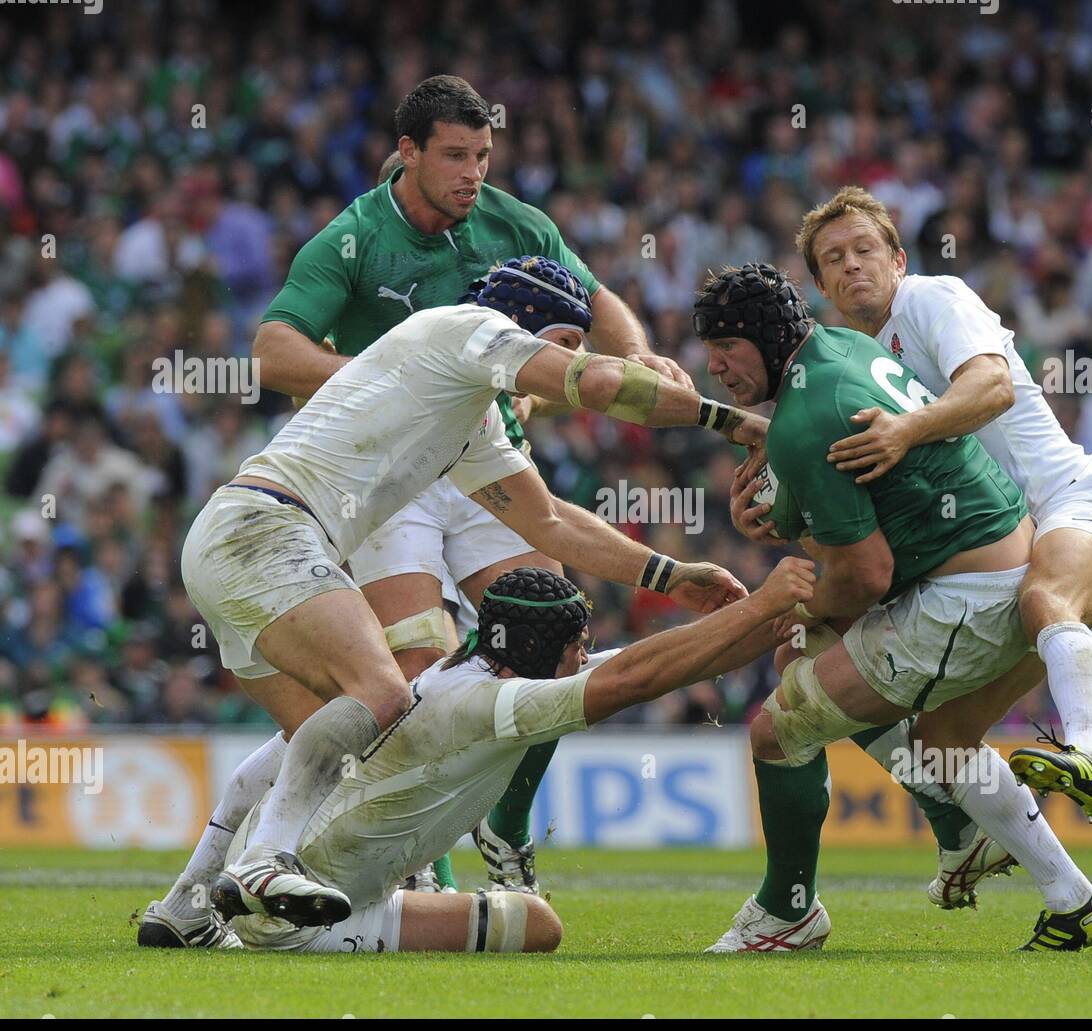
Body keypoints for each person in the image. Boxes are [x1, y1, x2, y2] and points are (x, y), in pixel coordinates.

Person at [138, 263, 765, 947]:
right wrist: (733, 421)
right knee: (384, 692)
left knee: (320, 730)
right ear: (525, 324)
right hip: (268, 529)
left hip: (238, 535)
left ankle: (190, 901)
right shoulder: (469, 327)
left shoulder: (468, 421)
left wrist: (671, 575)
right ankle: (266, 859)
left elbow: (548, 523)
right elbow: (603, 384)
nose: (569, 361)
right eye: (564, 341)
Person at [253, 74, 693, 896]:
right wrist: (385, 380)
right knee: (420, 669)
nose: (473, 174)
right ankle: (425, 871)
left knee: (553, 645)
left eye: (483, 155)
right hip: (395, 479)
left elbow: (604, 306)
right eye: (455, 156)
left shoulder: (512, 222)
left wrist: (631, 358)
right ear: (408, 153)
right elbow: (273, 352)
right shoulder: (351, 240)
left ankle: (507, 824)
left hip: (494, 461)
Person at [696, 264, 1092, 954]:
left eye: (727, 345)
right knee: (807, 658)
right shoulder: (846, 349)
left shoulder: (807, 421)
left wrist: (799, 601)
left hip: (969, 600)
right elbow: (877, 523)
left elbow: (864, 573)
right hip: (1004, 564)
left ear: (772, 337)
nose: (714, 366)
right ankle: (1063, 893)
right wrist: (786, 535)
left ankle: (788, 912)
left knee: (777, 732)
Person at [201, 560, 816, 954]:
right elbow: (633, 680)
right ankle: (298, 925)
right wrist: (761, 605)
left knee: (523, 918)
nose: (587, 654)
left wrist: (773, 623)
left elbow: (650, 667)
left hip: (289, 866)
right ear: (536, 649)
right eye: (579, 645)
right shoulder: (493, 704)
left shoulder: (466, 674)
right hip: (297, 919)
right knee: (539, 926)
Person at [783, 187, 1092, 820]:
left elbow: (992, 385)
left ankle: (1088, 755)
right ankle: (1075, 906)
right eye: (834, 258)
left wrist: (905, 428)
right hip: (1000, 553)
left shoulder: (933, 297)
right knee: (940, 746)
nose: (851, 265)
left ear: (898, 260)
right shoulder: (849, 363)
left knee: (1044, 597)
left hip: (1074, 503)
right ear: (821, 287)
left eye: (865, 249)